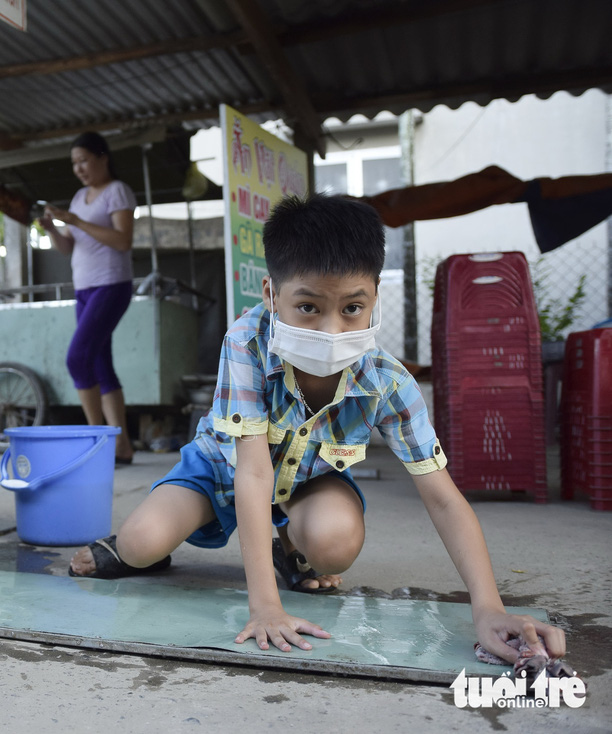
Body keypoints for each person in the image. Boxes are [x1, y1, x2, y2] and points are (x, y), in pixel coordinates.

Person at [68, 193, 566, 665]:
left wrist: (488, 608)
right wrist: (264, 606)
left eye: (353, 308)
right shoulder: (246, 341)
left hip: (307, 482)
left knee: (334, 545)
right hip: (222, 469)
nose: (332, 330)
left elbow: (443, 498)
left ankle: (292, 550)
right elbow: (253, 474)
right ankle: (132, 548)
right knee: (142, 543)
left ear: (374, 298)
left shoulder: (388, 383)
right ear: (271, 295)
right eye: (308, 307)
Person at [38, 132, 137, 464]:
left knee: (77, 358)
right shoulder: (80, 196)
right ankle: (121, 446)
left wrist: (76, 220)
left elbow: (123, 241)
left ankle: (97, 442)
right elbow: (68, 247)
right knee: (98, 363)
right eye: (74, 163)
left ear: (102, 157)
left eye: (83, 160)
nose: (78, 168)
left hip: (111, 285)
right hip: (85, 289)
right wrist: (53, 229)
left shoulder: (117, 190)